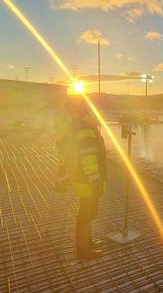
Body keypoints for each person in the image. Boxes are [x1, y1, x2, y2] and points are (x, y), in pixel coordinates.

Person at [56, 99, 107, 260]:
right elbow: (88, 158)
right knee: (86, 215)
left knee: (88, 214)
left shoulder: (85, 127)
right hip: (88, 181)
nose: (100, 115)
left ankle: (88, 243)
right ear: (89, 113)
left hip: (85, 180)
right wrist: (95, 181)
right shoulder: (86, 130)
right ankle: (83, 252)